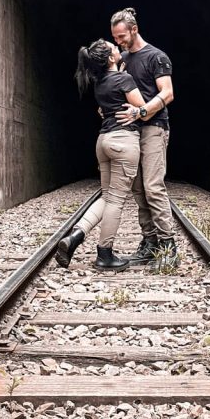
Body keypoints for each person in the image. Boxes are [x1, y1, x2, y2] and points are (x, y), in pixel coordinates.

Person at [57, 39, 146, 271]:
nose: (119, 49)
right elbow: (143, 110)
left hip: (103, 141)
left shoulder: (98, 81)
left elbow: (111, 99)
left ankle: (76, 235)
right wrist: (138, 107)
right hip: (123, 141)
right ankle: (104, 254)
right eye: (114, 48)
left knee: (107, 196)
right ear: (110, 58)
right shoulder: (124, 79)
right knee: (116, 200)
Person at [110, 7, 179, 267]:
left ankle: (168, 247)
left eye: (121, 36)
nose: (118, 42)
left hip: (153, 128)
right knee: (138, 188)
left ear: (134, 29)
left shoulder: (156, 57)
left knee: (152, 186)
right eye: (115, 38)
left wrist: (142, 111)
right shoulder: (123, 58)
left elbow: (168, 93)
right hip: (130, 132)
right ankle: (150, 242)